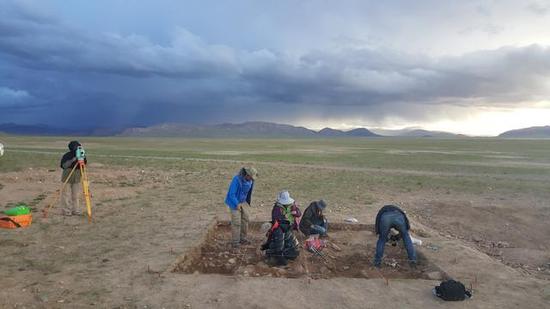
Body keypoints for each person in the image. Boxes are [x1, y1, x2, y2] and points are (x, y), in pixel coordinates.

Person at [261, 191, 300, 266]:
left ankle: (283, 261)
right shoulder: (279, 227)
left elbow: (279, 249)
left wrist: (267, 253)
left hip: (293, 251)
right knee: (275, 245)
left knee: (278, 251)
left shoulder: (278, 231)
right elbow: (270, 242)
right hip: (292, 247)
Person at [225, 167, 257, 248]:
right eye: (251, 177)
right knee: (236, 222)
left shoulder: (251, 181)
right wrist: (237, 204)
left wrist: (246, 202)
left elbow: (249, 192)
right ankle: (235, 242)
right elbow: (231, 194)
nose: (252, 180)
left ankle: (243, 238)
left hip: (243, 201)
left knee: (245, 220)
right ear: (247, 175)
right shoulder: (236, 179)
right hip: (234, 202)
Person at [59, 141, 87, 216]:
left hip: (77, 177)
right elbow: (64, 166)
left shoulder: (81, 155)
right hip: (67, 177)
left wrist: (82, 158)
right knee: (65, 195)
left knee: (76, 195)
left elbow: (84, 164)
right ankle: (66, 211)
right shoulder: (67, 155)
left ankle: (76, 210)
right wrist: (74, 159)